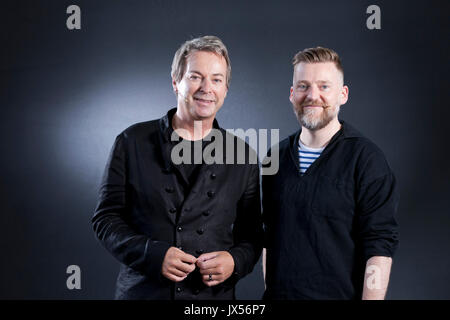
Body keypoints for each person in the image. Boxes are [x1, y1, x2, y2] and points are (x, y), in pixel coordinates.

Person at [92, 35, 263, 300]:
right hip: (144, 293)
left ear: (225, 90)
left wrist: (234, 260)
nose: (207, 88)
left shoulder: (243, 155)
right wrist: (152, 254)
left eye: (216, 79)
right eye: (195, 77)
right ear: (175, 82)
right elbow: (106, 219)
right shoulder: (131, 141)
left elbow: (252, 235)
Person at [262, 47, 399, 300]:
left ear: (343, 94)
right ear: (292, 94)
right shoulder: (275, 158)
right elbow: (269, 238)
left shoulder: (367, 160)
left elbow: (379, 247)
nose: (313, 96)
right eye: (303, 86)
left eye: (324, 86)